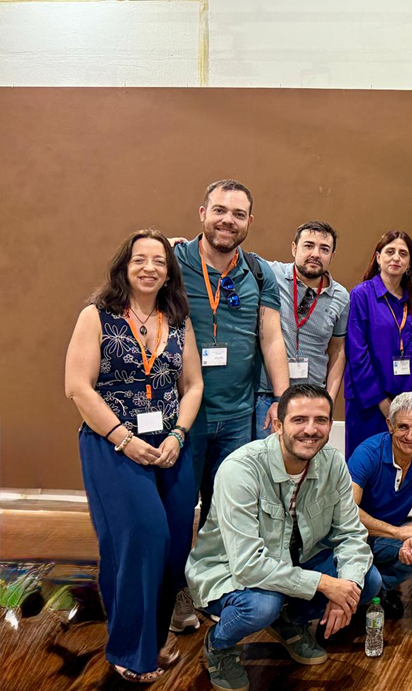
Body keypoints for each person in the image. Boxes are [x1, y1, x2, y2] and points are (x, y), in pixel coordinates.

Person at [65, 229, 203, 682]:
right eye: (140, 259)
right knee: (142, 538)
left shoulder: (177, 318)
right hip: (112, 445)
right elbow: (78, 387)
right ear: (124, 266)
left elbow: (193, 385)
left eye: (159, 261)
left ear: (169, 272)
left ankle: (153, 639)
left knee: (173, 546)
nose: (149, 268)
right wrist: (124, 439)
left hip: (169, 445)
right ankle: (130, 652)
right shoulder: (96, 315)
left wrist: (179, 434)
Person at [185, 384, 379, 691]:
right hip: (229, 572)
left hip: (295, 563)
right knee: (262, 606)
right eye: (299, 420)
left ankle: (290, 621)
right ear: (278, 425)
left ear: (331, 425)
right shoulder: (240, 469)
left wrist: (346, 587)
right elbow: (247, 566)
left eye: (320, 420)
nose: (311, 430)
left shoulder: (333, 462)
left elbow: (352, 534)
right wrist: (326, 585)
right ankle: (218, 645)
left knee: (365, 581)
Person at [172, 179, 290, 630]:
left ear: (250, 222)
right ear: (202, 212)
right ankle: (176, 591)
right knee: (179, 511)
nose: (228, 221)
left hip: (239, 417)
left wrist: (282, 398)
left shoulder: (258, 273)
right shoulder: (174, 262)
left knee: (225, 511)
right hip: (183, 417)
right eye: (220, 210)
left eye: (238, 214)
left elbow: (272, 338)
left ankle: (213, 585)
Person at [347, 392, 412, 619]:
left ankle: (378, 590)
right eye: (403, 427)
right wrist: (399, 533)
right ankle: (368, 587)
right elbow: (348, 513)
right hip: (357, 536)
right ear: (389, 425)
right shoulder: (366, 453)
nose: (410, 436)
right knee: (366, 577)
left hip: (391, 536)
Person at [254, 221, 349, 440]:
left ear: (332, 255)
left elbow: (337, 350)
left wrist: (329, 400)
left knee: (306, 460)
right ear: (294, 248)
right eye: (308, 246)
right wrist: (179, 246)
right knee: (267, 459)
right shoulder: (271, 274)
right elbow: (232, 256)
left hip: (312, 398)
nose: (316, 254)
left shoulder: (341, 297)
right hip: (268, 397)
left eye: (324, 249)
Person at [344, 231, 412, 455]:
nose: (396, 258)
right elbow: (357, 353)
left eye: (403, 253)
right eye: (390, 251)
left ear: (409, 263)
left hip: (406, 409)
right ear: (378, 257)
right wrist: (382, 403)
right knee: (366, 464)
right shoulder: (361, 295)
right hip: (368, 404)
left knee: (403, 464)